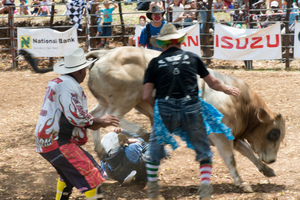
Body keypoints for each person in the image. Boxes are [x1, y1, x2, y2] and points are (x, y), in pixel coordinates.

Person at [142, 23, 241, 200]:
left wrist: (157, 110)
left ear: (163, 44)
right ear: (178, 41)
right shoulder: (192, 57)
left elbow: (146, 95)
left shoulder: (155, 62)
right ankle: (204, 186)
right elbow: (213, 83)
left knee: (154, 148)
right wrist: (228, 89)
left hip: (165, 107)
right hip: (191, 107)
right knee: (203, 149)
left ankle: (153, 185)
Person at [34, 48, 120, 200]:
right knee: (92, 174)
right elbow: (77, 117)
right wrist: (101, 121)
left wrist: (99, 123)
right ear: (80, 70)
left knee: (67, 175)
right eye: (85, 69)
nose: (85, 73)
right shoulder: (69, 85)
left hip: (46, 142)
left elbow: (72, 117)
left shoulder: (57, 82)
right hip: (59, 142)